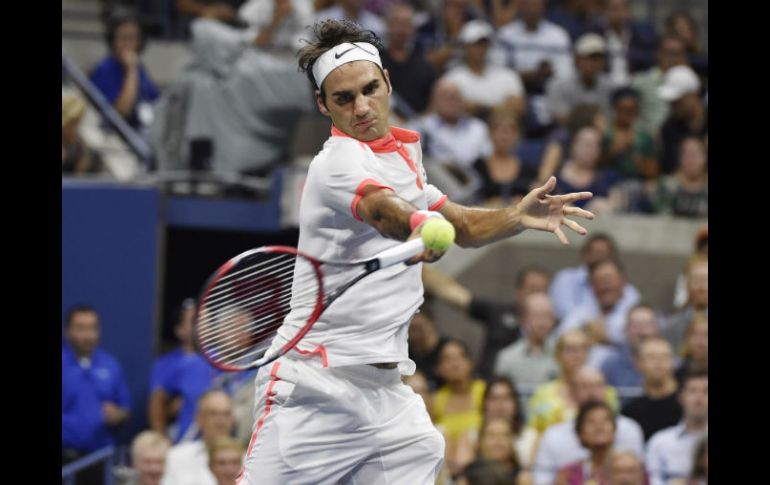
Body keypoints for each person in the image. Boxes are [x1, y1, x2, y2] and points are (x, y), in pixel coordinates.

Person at [236, 19, 595, 484]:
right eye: (344, 98)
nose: (362, 107)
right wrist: (420, 224)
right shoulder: (337, 162)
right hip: (312, 386)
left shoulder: (402, 157)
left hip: (385, 393)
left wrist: (516, 217)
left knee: (423, 446)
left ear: (387, 82)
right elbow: (381, 208)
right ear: (323, 105)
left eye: (370, 89)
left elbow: (462, 225)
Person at [422, 264, 552, 379]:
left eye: (542, 290)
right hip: (488, 386)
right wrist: (417, 265)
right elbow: (458, 297)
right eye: (532, 289)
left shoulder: (555, 324)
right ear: (519, 291)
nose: (537, 296)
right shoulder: (499, 312)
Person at [62, 305, 132, 485]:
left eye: (92, 328)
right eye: (81, 328)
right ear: (67, 331)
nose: (87, 335)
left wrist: (118, 414)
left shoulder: (111, 365)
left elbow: (125, 410)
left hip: (99, 459)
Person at [90, 11, 160, 132]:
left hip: (140, 132)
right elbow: (119, 115)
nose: (128, 44)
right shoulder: (104, 70)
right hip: (115, 137)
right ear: (113, 40)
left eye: (133, 38)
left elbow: (155, 102)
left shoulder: (140, 69)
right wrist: (131, 71)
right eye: (123, 38)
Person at [645, 370, 708, 485]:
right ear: (681, 397)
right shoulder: (660, 441)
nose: (699, 397)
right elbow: (652, 479)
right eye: (692, 391)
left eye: (706, 391)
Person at [161, 390, 235, 485]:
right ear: (199, 418)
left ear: (233, 420)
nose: (220, 421)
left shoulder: (248, 459)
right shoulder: (177, 457)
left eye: (226, 414)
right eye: (213, 414)